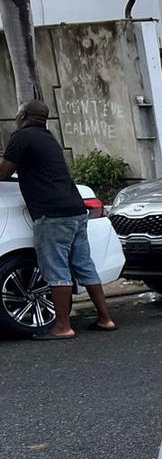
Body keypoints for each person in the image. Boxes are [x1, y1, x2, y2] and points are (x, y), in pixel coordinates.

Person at [0, 99, 115, 340]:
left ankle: (63, 327)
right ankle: (106, 319)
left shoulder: (21, 137)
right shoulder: (48, 137)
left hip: (51, 214)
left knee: (56, 269)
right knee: (84, 266)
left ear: (23, 115)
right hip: (75, 210)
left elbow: (4, 172)